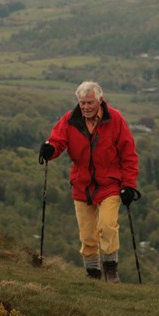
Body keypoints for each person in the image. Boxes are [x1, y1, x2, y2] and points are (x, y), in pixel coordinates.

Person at [39, 80, 139, 283]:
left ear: (100, 100)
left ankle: (111, 271)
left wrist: (129, 185)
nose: (85, 107)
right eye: (82, 102)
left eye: (89, 102)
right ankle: (92, 275)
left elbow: (128, 154)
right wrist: (49, 149)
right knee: (87, 236)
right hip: (81, 185)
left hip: (110, 183)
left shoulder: (115, 119)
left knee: (107, 226)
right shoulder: (70, 119)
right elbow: (57, 141)